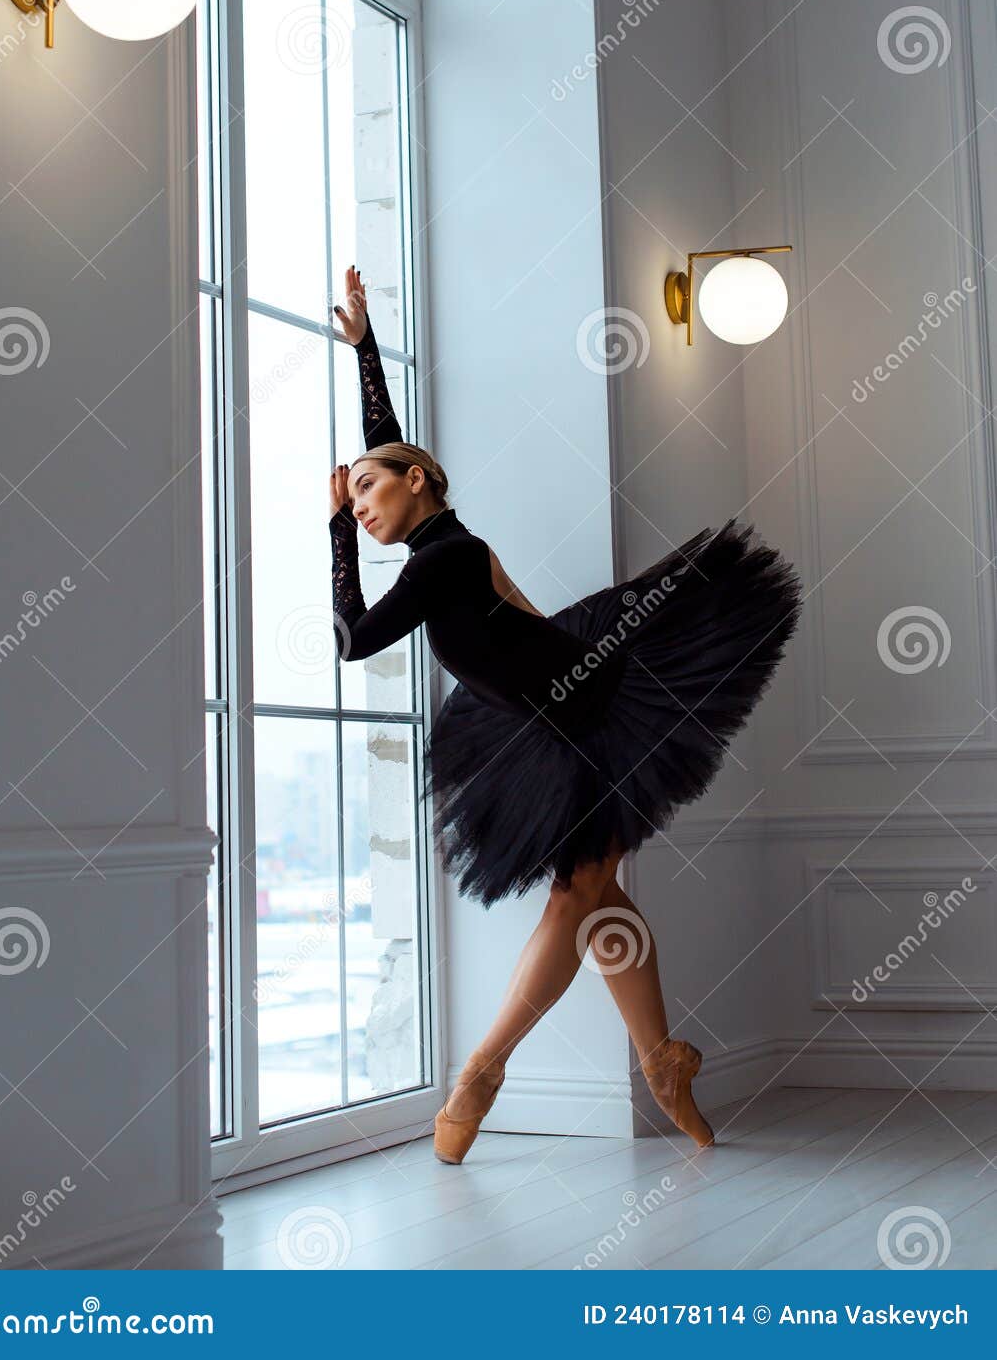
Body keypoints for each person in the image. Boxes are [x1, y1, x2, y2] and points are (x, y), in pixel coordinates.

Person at [328, 265, 803, 1164]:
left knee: (578, 894)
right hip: (540, 717)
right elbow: (385, 446)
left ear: (419, 483)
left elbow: (352, 637)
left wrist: (332, 539)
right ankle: (660, 1060)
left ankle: (485, 1070)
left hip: (592, 704)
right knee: (598, 895)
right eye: (350, 503)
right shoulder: (432, 532)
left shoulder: (445, 562)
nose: (357, 510)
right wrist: (365, 352)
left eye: (367, 496)